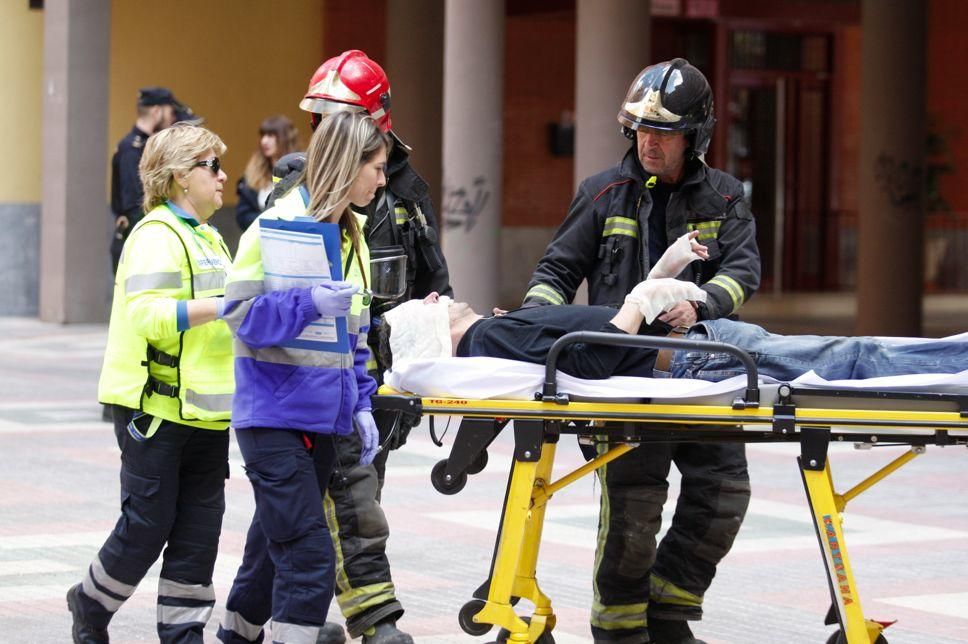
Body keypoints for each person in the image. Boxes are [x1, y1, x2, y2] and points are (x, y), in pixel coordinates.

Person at [522, 58, 760, 644]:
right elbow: (556, 271)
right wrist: (534, 330)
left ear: (696, 136)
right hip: (625, 379)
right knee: (634, 509)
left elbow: (744, 272)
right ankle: (620, 630)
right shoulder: (603, 193)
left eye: (664, 132)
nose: (649, 141)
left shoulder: (727, 199)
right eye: (641, 130)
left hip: (703, 376)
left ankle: (669, 613)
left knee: (723, 495)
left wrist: (701, 304)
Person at [267, 49, 452, 644]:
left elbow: (434, 285)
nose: (323, 133)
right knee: (347, 502)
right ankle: (374, 622)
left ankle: (285, 617)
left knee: (339, 502)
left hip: (376, 378)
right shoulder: (294, 195)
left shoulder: (405, 193)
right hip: (312, 382)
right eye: (318, 120)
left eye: (335, 120)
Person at [216, 110, 387, 644]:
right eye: (377, 168)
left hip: (323, 419)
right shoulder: (276, 226)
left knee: (272, 549)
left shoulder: (349, 234)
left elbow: (354, 335)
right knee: (309, 556)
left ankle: (236, 635)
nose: (383, 181)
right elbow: (240, 316)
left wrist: (361, 402)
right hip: (272, 418)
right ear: (346, 164)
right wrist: (307, 302)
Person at [67, 123, 235, 644]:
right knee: (147, 527)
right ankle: (90, 603)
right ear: (182, 177)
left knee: (198, 536)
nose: (223, 175)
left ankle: (183, 636)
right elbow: (149, 317)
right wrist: (228, 306)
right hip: (156, 411)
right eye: (212, 166)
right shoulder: (155, 235)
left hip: (207, 413)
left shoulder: (207, 236)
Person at [377, 290, 968, 386]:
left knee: (847, 354)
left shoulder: (494, 331)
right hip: (693, 360)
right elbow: (589, 360)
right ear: (432, 328)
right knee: (850, 356)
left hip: (695, 345)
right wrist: (637, 303)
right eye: (426, 304)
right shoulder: (490, 339)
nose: (438, 296)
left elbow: (583, 346)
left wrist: (654, 287)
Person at [110, 87, 200, 273]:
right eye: (170, 112)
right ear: (157, 111)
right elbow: (135, 207)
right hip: (137, 243)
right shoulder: (131, 150)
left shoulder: (146, 146)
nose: (172, 117)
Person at [236, 115, 299, 231]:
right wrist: (267, 222)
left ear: (285, 138)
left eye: (270, 135)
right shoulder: (252, 172)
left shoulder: (300, 170)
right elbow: (243, 215)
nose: (264, 141)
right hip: (259, 237)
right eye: (263, 135)